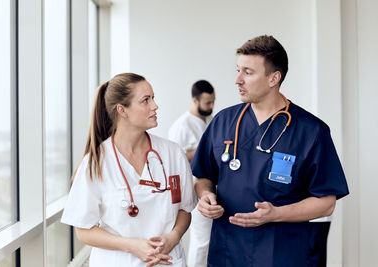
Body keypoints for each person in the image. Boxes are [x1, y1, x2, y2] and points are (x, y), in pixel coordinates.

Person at [190, 35, 349, 267]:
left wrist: (275, 214)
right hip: (228, 251)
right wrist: (205, 195)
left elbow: (326, 202)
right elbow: (203, 176)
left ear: (274, 78)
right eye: (237, 70)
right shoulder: (223, 121)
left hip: (282, 253)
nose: (237, 80)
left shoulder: (311, 131)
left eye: (248, 72)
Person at [61, 73, 197, 267]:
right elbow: (83, 229)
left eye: (153, 98)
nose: (155, 106)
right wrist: (131, 246)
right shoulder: (96, 162)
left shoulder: (172, 153)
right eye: (145, 100)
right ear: (122, 110)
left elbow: (185, 209)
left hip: (167, 262)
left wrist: (174, 237)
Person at [168, 80, 215, 267]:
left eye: (213, 102)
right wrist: (201, 151)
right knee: (201, 241)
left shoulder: (211, 120)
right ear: (195, 100)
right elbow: (174, 160)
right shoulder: (181, 126)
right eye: (207, 103)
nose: (211, 107)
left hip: (213, 186)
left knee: (211, 240)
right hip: (194, 188)